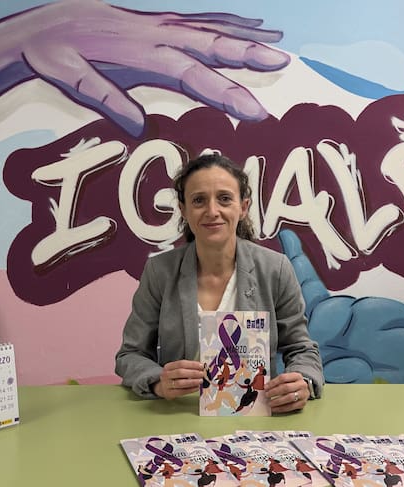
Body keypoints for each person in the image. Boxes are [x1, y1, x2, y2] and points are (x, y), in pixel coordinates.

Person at [115, 153, 323, 413]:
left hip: (254, 415)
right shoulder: (160, 272)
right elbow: (130, 355)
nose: (212, 211)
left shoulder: (275, 269)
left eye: (224, 198)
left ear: (243, 207)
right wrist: (157, 382)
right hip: (180, 413)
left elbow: (302, 349)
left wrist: (303, 381)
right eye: (199, 200)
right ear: (183, 210)